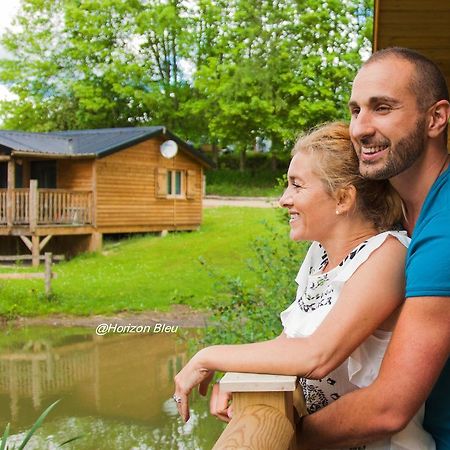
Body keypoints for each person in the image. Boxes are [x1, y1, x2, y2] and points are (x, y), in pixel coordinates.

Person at [173, 121, 435, 448]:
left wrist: (208, 356)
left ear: (342, 198)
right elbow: (289, 343)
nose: (284, 199)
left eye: (297, 186)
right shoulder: (319, 255)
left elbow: (317, 355)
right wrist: (239, 375)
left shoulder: (387, 255)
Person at [293, 48, 450, 450]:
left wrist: (290, 438)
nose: (360, 128)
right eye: (355, 110)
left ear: (436, 118)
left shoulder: (444, 229)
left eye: (382, 108)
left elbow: (389, 408)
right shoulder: (395, 221)